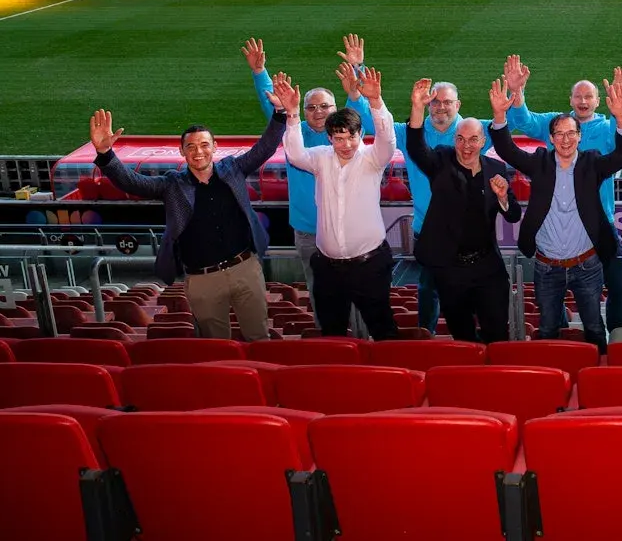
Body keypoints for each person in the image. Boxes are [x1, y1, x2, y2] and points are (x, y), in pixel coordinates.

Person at [88, 87, 289, 341]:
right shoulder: (172, 184)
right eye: (191, 147)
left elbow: (265, 147)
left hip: (245, 269)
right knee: (216, 347)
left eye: (205, 145)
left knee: (259, 338)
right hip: (202, 279)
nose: (198, 151)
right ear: (182, 151)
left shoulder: (233, 169)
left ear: (215, 147)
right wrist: (106, 154)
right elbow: (133, 182)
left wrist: (280, 113)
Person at [489, 69, 622, 353]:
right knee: (547, 329)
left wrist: (621, 119)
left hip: (587, 266)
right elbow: (507, 149)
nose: (566, 140)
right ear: (552, 138)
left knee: (594, 328)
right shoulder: (540, 163)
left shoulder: (592, 163)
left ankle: (597, 383)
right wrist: (499, 116)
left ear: (580, 137)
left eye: (571, 134)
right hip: (547, 267)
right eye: (559, 134)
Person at [244, 36, 372, 307]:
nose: (318, 112)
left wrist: (358, 69)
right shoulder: (294, 135)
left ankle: (359, 341)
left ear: (337, 109)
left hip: (350, 228)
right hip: (308, 231)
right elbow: (274, 106)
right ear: (302, 111)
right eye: (311, 107)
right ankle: (327, 341)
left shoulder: (347, 135)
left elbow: (363, 111)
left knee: (358, 292)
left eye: (325, 106)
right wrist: (259, 72)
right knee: (319, 292)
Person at [277, 66, 399, 340]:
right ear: (329, 138)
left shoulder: (372, 158)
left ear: (360, 135)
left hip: (370, 265)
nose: (346, 144)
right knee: (332, 331)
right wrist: (293, 114)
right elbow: (295, 153)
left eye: (351, 137)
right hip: (328, 267)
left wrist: (376, 102)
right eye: (339, 138)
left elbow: (388, 139)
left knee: (382, 328)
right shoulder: (320, 157)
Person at [403, 79, 520, 343]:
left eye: (473, 139)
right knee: (462, 335)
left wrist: (503, 198)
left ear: (483, 141)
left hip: (487, 265)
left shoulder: (495, 170)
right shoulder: (441, 160)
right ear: (454, 139)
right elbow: (416, 148)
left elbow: (513, 214)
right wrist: (417, 107)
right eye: (460, 139)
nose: (466, 146)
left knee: (497, 331)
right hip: (450, 268)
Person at [392, 70, 491, 333]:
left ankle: (471, 341)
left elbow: (512, 121)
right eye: (435, 101)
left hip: (467, 231)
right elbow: (371, 119)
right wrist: (359, 75)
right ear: (427, 103)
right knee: (428, 289)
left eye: (447, 102)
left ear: (458, 105)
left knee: (470, 288)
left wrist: (517, 91)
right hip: (427, 229)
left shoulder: (477, 130)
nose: (441, 107)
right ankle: (428, 336)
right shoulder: (408, 133)